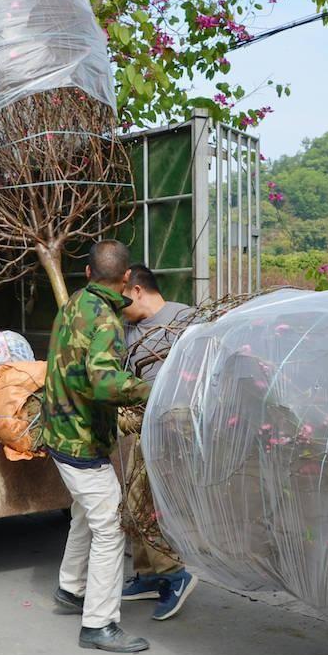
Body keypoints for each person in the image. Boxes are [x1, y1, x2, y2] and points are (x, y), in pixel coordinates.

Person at [42, 240, 153, 653]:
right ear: (127, 279)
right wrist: (150, 389)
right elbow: (105, 384)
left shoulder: (76, 302)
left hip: (57, 429)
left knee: (85, 514)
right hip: (81, 440)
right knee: (110, 525)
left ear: (87, 273)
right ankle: (99, 624)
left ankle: (70, 590)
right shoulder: (107, 321)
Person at [119, 265, 199, 620]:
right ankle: (149, 575)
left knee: (152, 503)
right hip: (142, 423)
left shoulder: (186, 320)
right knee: (134, 503)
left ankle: (175, 574)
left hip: (175, 423)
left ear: (137, 290)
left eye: (120, 299)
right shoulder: (127, 330)